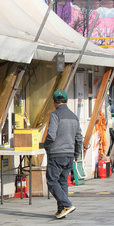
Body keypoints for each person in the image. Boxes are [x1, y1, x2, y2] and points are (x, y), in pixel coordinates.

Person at [44, 89, 83, 219]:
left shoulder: (55, 115)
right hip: (69, 154)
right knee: (62, 182)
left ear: (54, 102)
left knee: (51, 181)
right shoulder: (74, 117)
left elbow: (51, 135)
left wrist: (46, 145)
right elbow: (79, 138)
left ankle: (67, 204)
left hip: (56, 154)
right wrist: (77, 153)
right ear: (66, 101)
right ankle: (62, 210)